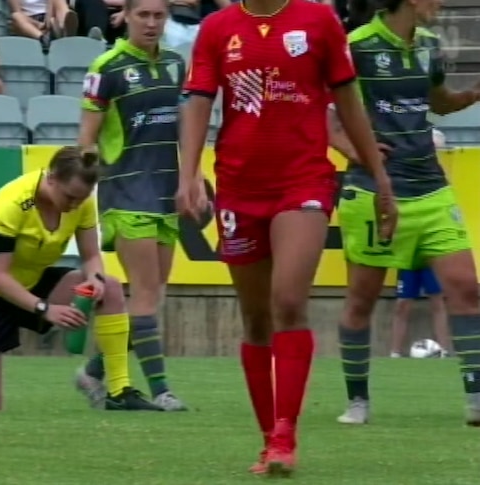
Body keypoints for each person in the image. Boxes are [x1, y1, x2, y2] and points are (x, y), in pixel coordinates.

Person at [177, 0, 396, 476]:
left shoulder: (318, 21)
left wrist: (379, 176)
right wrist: (187, 175)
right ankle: (266, 441)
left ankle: (285, 435)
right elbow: (197, 102)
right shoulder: (217, 28)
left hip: (303, 182)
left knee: (289, 301)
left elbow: (349, 103)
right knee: (255, 320)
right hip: (238, 185)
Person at [329, 0, 480, 427]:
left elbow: (439, 101)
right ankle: (357, 400)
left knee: (467, 288)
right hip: (375, 190)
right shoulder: (356, 46)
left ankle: (477, 400)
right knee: (361, 300)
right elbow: (325, 118)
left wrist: (472, 93)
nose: (443, 4)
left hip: (431, 187)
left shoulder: (430, 45)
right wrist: (357, 154)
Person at [0, 147, 162, 412]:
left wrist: (95, 278)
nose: (74, 205)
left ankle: (119, 392)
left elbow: (91, 256)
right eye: (69, 197)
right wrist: (46, 309)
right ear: (51, 178)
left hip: (32, 279)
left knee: (110, 287)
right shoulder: (11, 203)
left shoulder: (82, 202)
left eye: (82, 198)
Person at [75, 0, 189, 412]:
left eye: (160, 16)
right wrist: (82, 196)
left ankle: (94, 371)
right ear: (126, 16)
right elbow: (85, 141)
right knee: (143, 293)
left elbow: (186, 130)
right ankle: (160, 390)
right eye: (144, 15)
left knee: (153, 293)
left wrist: (192, 178)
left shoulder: (178, 65)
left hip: (166, 191)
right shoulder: (105, 68)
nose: (152, 23)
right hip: (124, 191)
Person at [390, 268, 450, 358]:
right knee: (401, 305)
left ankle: (444, 351)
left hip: (430, 260)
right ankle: (395, 353)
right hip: (408, 262)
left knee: (437, 301)